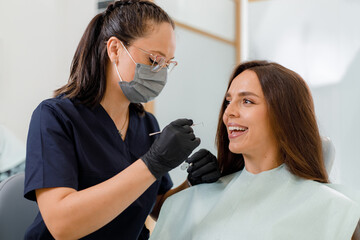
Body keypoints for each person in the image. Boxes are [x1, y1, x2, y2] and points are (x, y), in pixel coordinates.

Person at [23, 1, 220, 239]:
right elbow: (62, 225)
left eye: (167, 64)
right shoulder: (55, 117)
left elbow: (155, 204)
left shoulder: (146, 124)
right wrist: (152, 163)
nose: (161, 74)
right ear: (115, 49)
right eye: (155, 61)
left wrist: (190, 184)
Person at [150, 60, 360, 240]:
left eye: (247, 101)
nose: (228, 113)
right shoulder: (187, 203)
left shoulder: (337, 211)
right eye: (229, 101)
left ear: (285, 115)